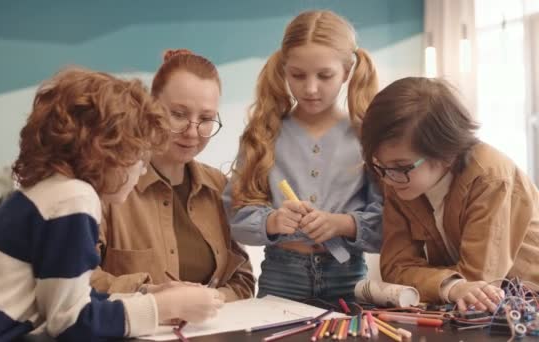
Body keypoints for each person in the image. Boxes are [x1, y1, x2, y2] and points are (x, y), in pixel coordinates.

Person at [0, 67, 224, 341]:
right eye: (139, 158)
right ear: (106, 153)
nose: (143, 170)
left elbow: (73, 296)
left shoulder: (53, 191)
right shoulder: (74, 199)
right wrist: (160, 308)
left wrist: (148, 296)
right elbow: (71, 322)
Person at [224, 10, 383, 303]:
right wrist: (272, 221)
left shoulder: (368, 138)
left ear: (347, 72)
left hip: (348, 278)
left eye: (325, 76)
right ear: (284, 70)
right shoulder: (263, 135)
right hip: (281, 277)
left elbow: (390, 225)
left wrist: (343, 224)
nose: (310, 88)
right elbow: (235, 216)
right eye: (297, 75)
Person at [360, 76, 539, 312]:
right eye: (378, 165)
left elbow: (478, 284)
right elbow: (395, 269)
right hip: (476, 309)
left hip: (525, 304)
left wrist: (444, 284)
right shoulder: (399, 179)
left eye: (400, 167)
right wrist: (451, 287)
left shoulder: (491, 178)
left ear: (446, 153)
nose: (386, 178)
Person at [91, 49, 255, 302]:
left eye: (206, 118)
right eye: (178, 114)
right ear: (150, 107)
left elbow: (242, 281)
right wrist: (154, 297)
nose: (192, 131)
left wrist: (209, 303)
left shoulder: (219, 187)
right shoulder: (109, 185)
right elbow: (79, 280)